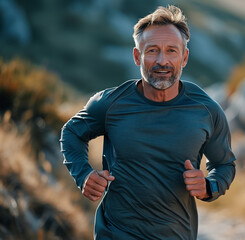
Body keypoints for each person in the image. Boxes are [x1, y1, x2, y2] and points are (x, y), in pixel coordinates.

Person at [60, 5, 236, 240]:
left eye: (171, 51)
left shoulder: (206, 110)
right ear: (137, 56)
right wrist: (84, 174)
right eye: (152, 51)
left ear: (184, 57)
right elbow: (72, 132)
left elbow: (225, 164)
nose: (162, 61)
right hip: (114, 234)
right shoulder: (110, 104)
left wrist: (209, 186)